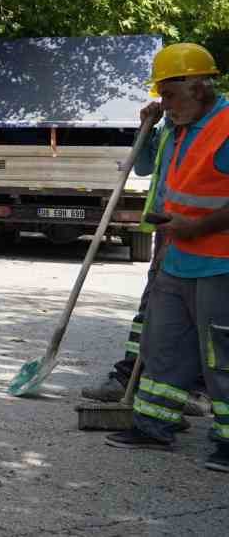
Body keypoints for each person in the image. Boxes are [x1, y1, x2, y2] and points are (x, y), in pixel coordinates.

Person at [104, 43, 229, 472]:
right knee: (164, 345)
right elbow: (150, 172)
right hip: (176, 254)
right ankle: (154, 426)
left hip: (221, 259)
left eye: (170, 94)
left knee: (221, 354)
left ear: (200, 86)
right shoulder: (179, 126)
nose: (164, 103)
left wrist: (195, 227)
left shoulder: (226, 125)